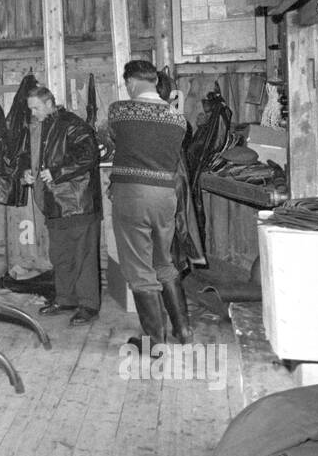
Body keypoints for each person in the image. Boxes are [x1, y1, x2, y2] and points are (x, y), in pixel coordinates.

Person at [106, 60, 192, 349]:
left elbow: (114, 139)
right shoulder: (178, 119)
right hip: (166, 196)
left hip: (132, 196)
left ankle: (154, 342)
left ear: (130, 82)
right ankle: (184, 330)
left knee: (139, 269)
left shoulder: (119, 111)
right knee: (163, 262)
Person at [23, 86, 102, 326]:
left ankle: (89, 305)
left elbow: (89, 156)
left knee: (84, 256)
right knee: (60, 255)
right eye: (31, 109)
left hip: (77, 203)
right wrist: (28, 172)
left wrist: (56, 172)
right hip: (54, 202)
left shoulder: (73, 124)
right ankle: (65, 298)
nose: (33, 113)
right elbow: (36, 158)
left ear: (49, 103)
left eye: (36, 107)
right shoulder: (42, 126)